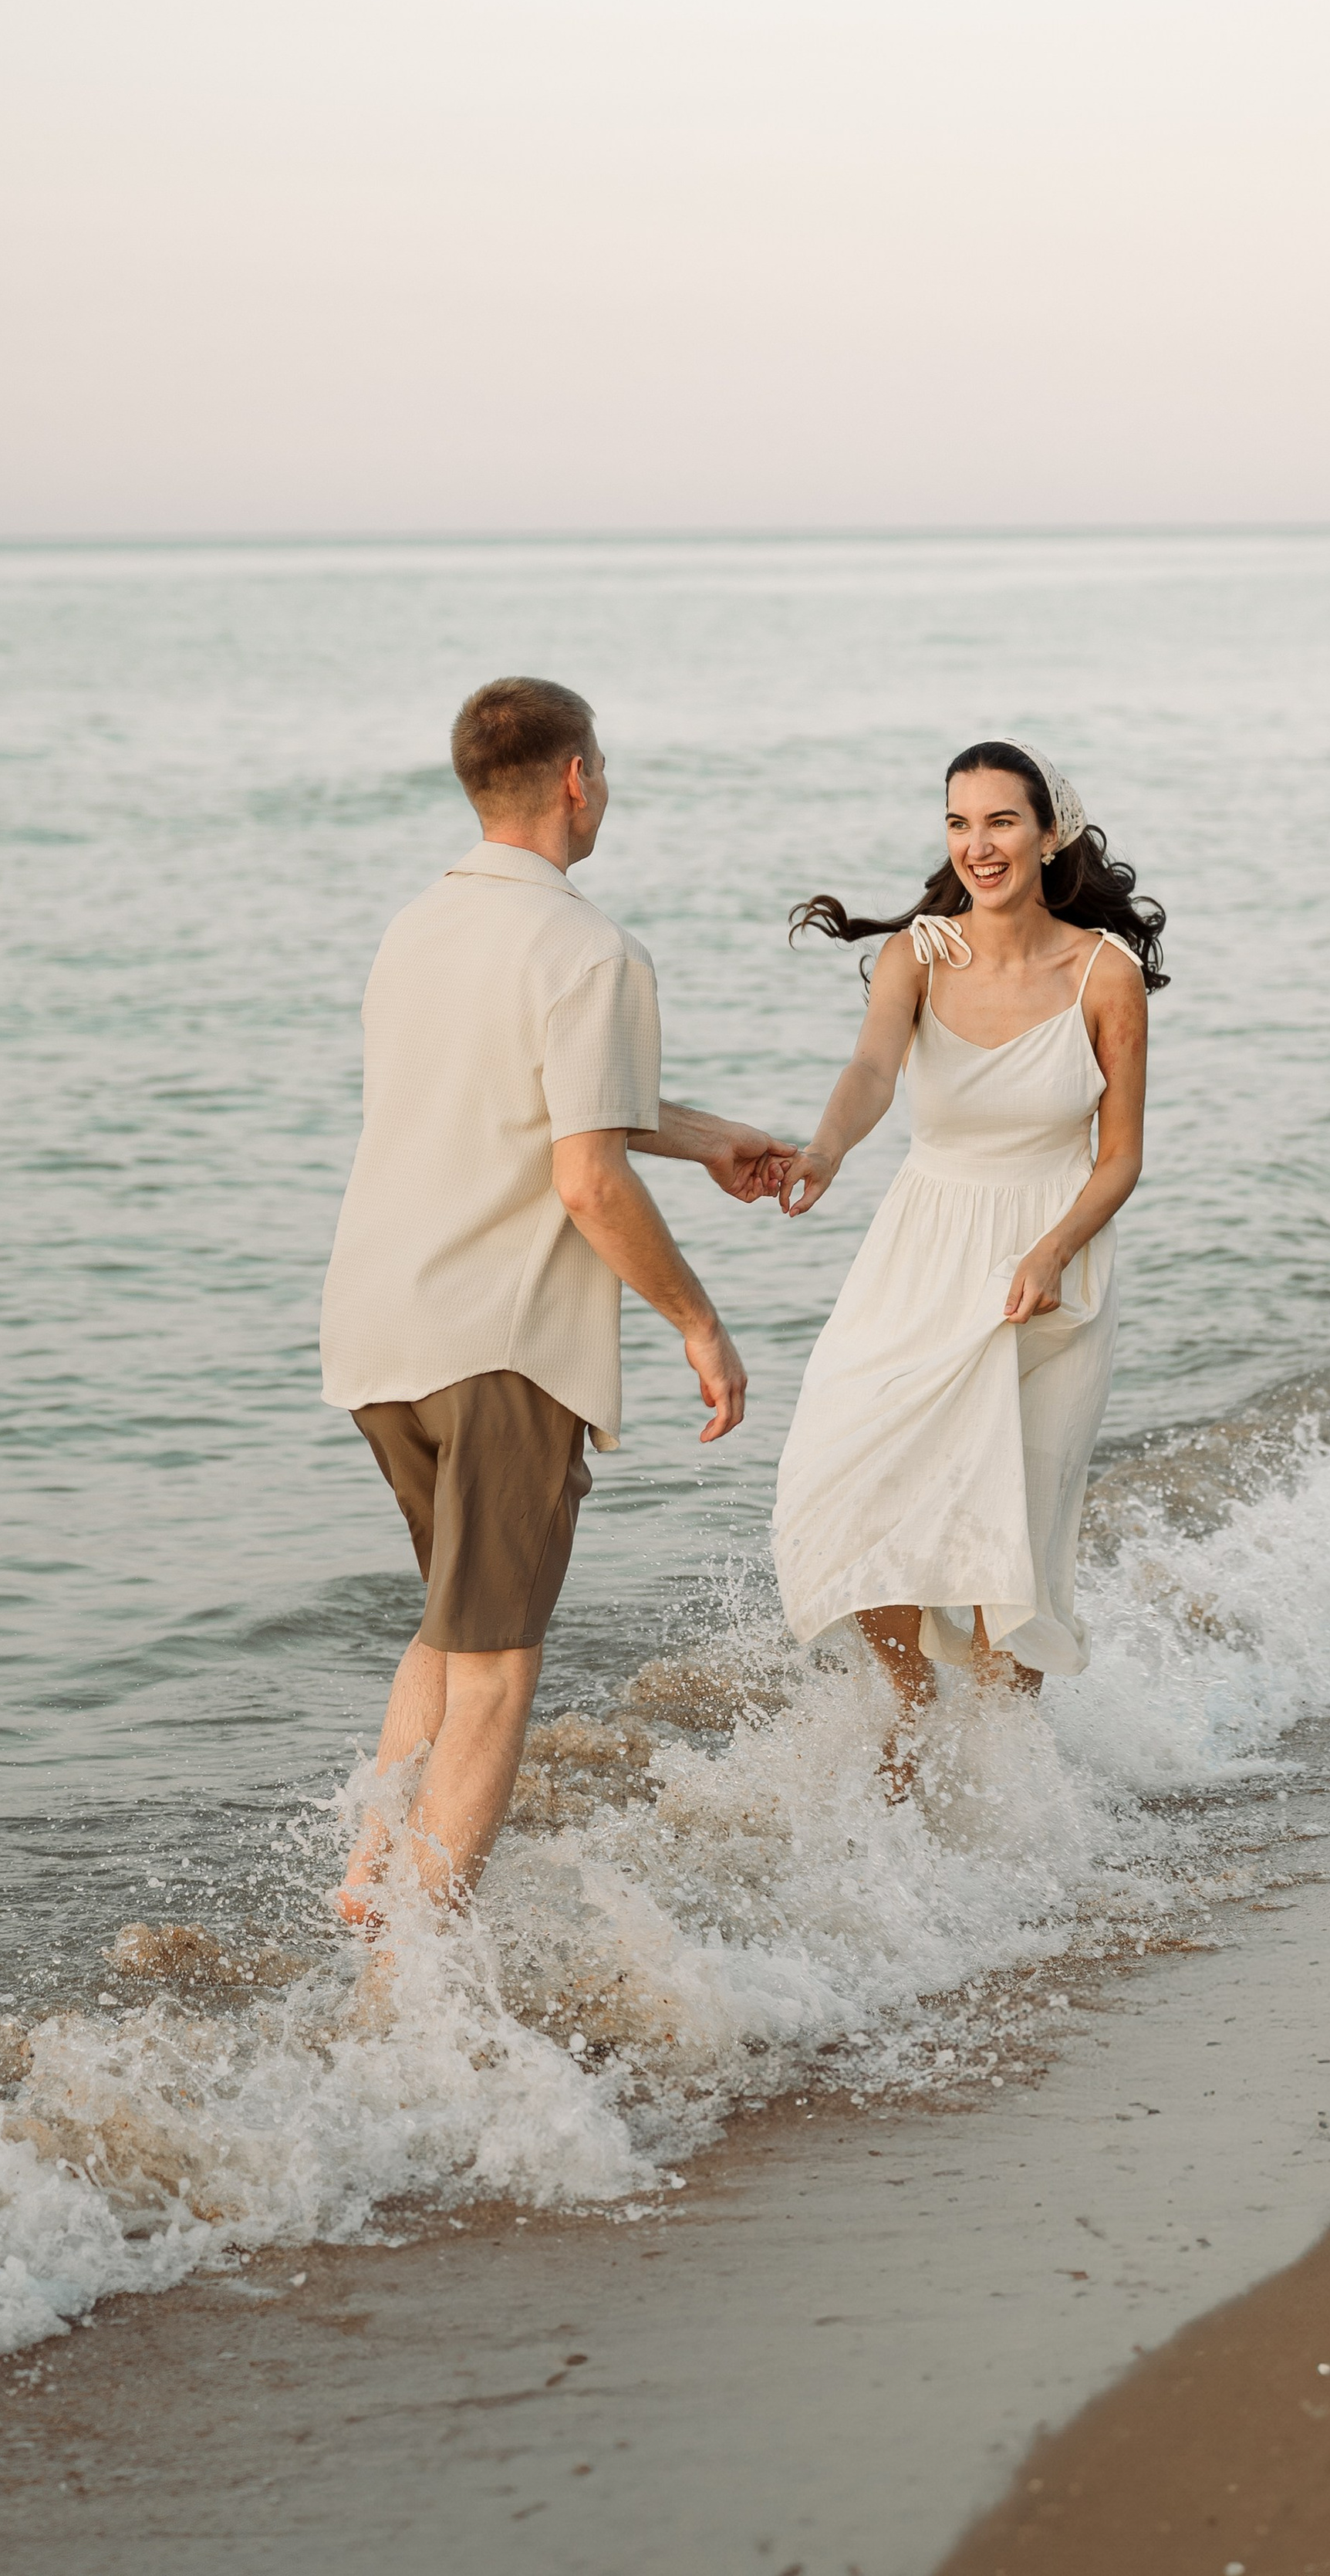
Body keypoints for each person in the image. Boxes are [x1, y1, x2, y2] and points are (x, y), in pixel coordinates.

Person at [320, 675, 791, 1922]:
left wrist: (707, 1138)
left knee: (450, 1627)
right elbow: (585, 1177)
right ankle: (410, 1997)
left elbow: (542, 1100)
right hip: (502, 1346)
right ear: (578, 777)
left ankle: (368, 1885)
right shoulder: (592, 948)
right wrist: (700, 1321)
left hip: (382, 1336)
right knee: (500, 1674)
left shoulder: (415, 930)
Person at [771, 739, 1166, 1793]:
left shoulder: (1103, 975)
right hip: (922, 1247)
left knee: (1014, 1543)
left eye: (1000, 822)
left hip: (1053, 1264)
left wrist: (1050, 1252)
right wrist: (823, 1150)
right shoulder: (919, 956)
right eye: (959, 823)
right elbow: (869, 1069)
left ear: (1047, 834)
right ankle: (908, 1701)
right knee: (844, 1473)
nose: (978, 845)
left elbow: (1120, 1158)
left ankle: (1006, 1790)